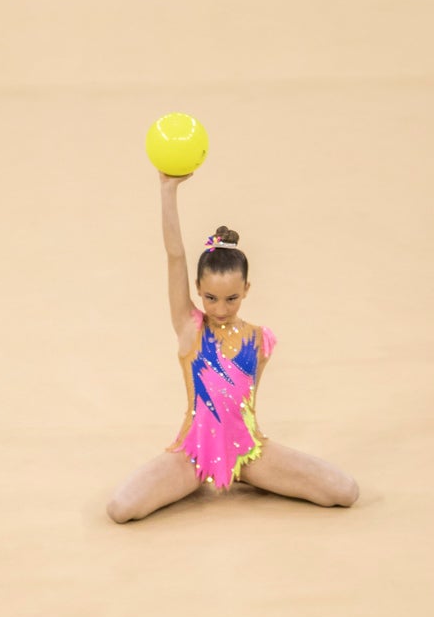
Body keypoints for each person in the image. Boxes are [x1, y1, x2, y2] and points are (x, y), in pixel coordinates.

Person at [106, 172, 359, 523]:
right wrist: (168, 190)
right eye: (210, 298)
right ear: (197, 288)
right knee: (121, 508)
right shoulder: (189, 328)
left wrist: (252, 462)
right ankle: (199, 479)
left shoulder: (260, 341)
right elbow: (175, 255)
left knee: (344, 491)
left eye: (231, 299)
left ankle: (240, 473)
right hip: (192, 454)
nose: (220, 309)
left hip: (248, 453)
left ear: (247, 290)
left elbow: (244, 406)